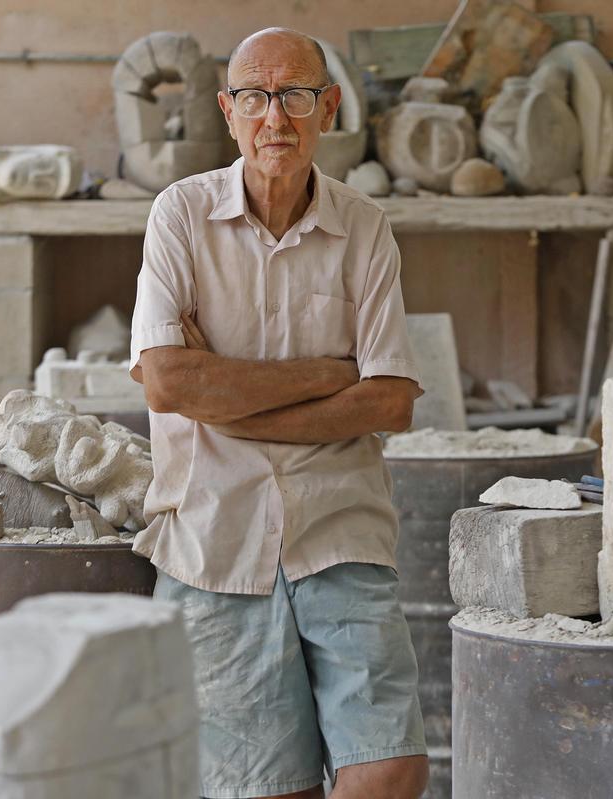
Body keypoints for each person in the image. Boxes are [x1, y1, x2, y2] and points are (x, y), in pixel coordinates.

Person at [130, 26, 429, 799]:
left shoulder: (364, 227)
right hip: (212, 544)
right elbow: (167, 384)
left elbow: (390, 398)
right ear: (228, 111)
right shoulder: (181, 217)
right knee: (266, 789)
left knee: (391, 767)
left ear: (327, 107)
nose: (277, 119)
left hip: (340, 530)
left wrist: (226, 398)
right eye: (257, 97)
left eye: (296, 95)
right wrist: (328, 378)